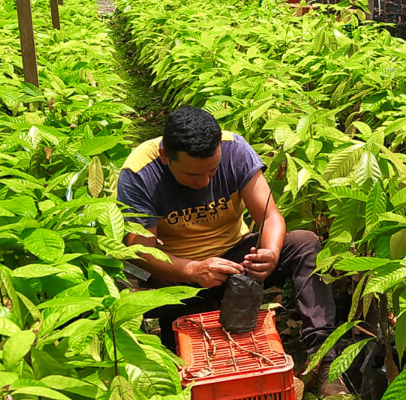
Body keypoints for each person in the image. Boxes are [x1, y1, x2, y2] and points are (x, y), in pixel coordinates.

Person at [117, 106, 347, 396]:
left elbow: (269, 216)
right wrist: (192, 270)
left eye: (212, 171)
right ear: (166, 158)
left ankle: (325, 359)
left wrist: (271, 253)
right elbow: (142, 253)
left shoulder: (234, 149)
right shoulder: (139, 173)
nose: (205, 182)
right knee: (119, 293)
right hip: (174, 274)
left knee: (303, 242)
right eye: (192, 175)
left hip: (235, 260)